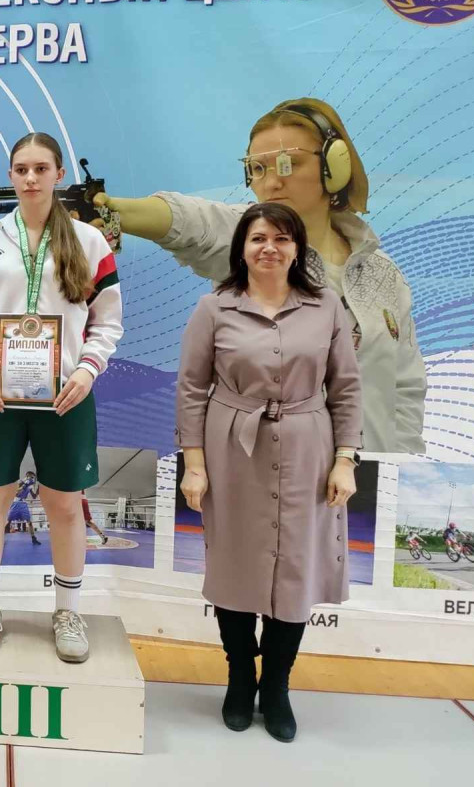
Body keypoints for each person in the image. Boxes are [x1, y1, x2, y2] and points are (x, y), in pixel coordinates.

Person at [93, 98, 421, 454]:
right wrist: (116, 212)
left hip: (369, 474)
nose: (272, 182)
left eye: (289, 164)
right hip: (271, 471)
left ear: (335, 167)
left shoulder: (382, 273)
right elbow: (191, 221)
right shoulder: (248, 242)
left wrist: (400, 470)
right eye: (259, 169)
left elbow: (405, 388)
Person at [176, 202, 362, 743]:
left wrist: (345, 458)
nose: (269, 248)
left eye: (282, 239)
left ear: (298, 249)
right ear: (242, 247)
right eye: (258, 238)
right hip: (232, 449)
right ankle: (240, 677)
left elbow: (346, 387)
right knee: (235, 564)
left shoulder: (326, 307)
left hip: (309, 448)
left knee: (295, 566)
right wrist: (194, 465)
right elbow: (191, 389)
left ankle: (276, 685)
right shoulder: (214, 308)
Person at [0, 132, 123, 663]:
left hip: (65, 398)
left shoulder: (90, 242)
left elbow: (107, 322)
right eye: (21, 169)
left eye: (40, 169)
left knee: (66, 507)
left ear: (59, 174)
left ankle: (67, 613)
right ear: (11, 175)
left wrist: (88, 371)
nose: (30, 178)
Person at [6, 472, 41, 545]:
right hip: (15, 503)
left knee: (29, 522)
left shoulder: (30, 486)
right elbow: (16, 493)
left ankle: (33, 538)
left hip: (23, 504)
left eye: (33, 478)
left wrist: (38, 490)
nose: (32, 479)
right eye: (31, 477)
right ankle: (1, 538)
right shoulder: (20, 482)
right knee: (8, 521)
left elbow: (34, 496)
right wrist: (25, 485)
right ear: (27, 476)